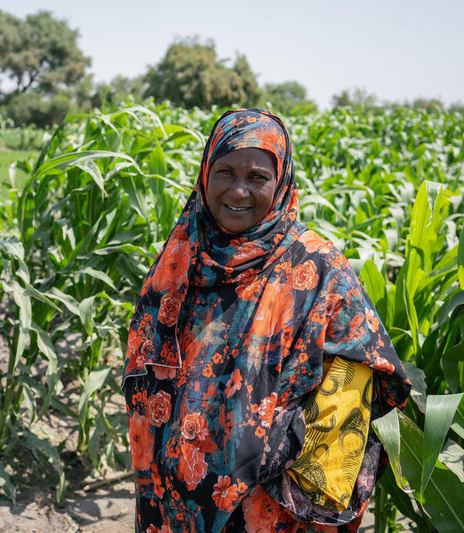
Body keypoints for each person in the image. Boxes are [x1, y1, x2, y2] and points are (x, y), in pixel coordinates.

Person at [122, 108, 411, 533]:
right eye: (225, 172)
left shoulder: (316, 267)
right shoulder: (182, 256)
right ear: (206, 175)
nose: (239, 191)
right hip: (173, 499)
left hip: (268, 503)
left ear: (281, 183)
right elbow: (145, 363)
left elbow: (360, 366)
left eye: (257, 177)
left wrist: (281, 453)